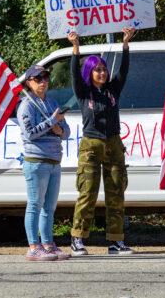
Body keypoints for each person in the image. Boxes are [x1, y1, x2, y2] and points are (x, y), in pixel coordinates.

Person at [67, 27, 136, 256]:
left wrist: (125, 44)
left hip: (114, 143)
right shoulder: (83, 91)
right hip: (91, 146)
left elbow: (123, 73)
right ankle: (78, 239)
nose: (102, 73)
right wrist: (75, 48)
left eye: (104, 69)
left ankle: (116, 242)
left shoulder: (112, 90)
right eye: (97, 70)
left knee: (116, 191)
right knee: (88, 192)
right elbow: (74, 75)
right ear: (90, 72)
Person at [17, 65, 71, 261]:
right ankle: (33, 247)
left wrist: (60, 131)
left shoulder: (52, 102)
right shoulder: (26, 105)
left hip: (54, 160)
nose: (43, 82)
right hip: (36, 161)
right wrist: (51, 122)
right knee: (35, 204)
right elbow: (29, 133)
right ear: (29, 82)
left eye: (46, 78)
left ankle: (48, 244)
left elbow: (66, 131)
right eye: (38, 79)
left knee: (50, 207)